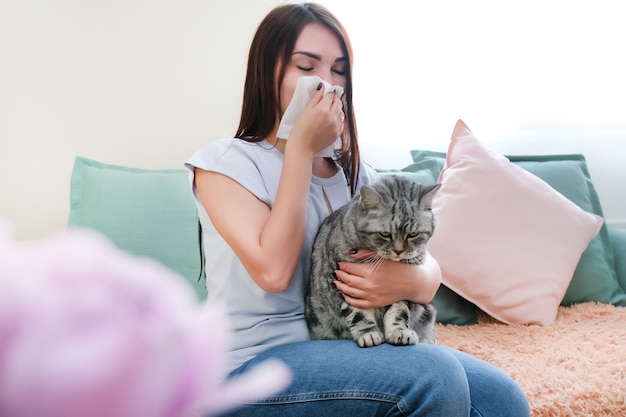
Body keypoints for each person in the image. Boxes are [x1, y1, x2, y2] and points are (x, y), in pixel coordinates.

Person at [186, 3, 530, 416]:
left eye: (339, 70)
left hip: (342, 347)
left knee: (501, 398)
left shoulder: (356, 175)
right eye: (306, 66)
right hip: (249, 369)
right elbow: (273, 272)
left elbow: (426, 273)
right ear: (268, 71)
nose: (326, 84)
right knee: (433, 375)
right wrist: (300, 148)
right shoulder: (224, 163)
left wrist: (410, 280)